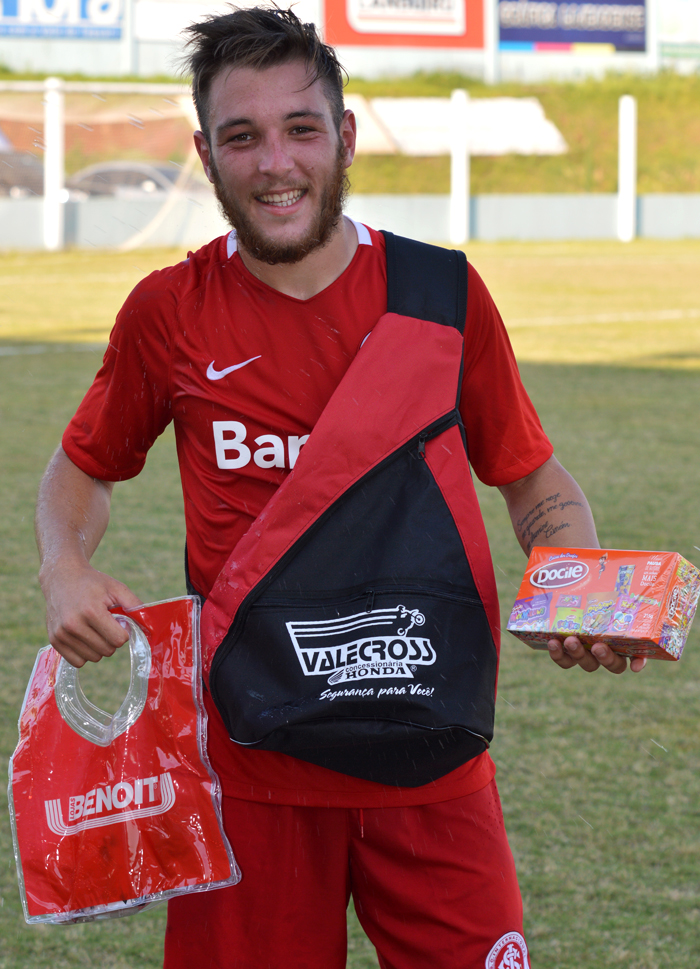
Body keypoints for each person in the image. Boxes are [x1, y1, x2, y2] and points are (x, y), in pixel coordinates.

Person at [34, 7, 645, 968]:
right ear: (207, 154)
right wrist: (64, 565)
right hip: (251, 767)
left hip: (433, 753)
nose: (275, 162)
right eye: (243, 136)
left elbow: (526, 474)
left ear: (345, 135)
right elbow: (84, 466)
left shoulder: (442, 297)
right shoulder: (169, 311)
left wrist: (575, 575)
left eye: (301, 128)